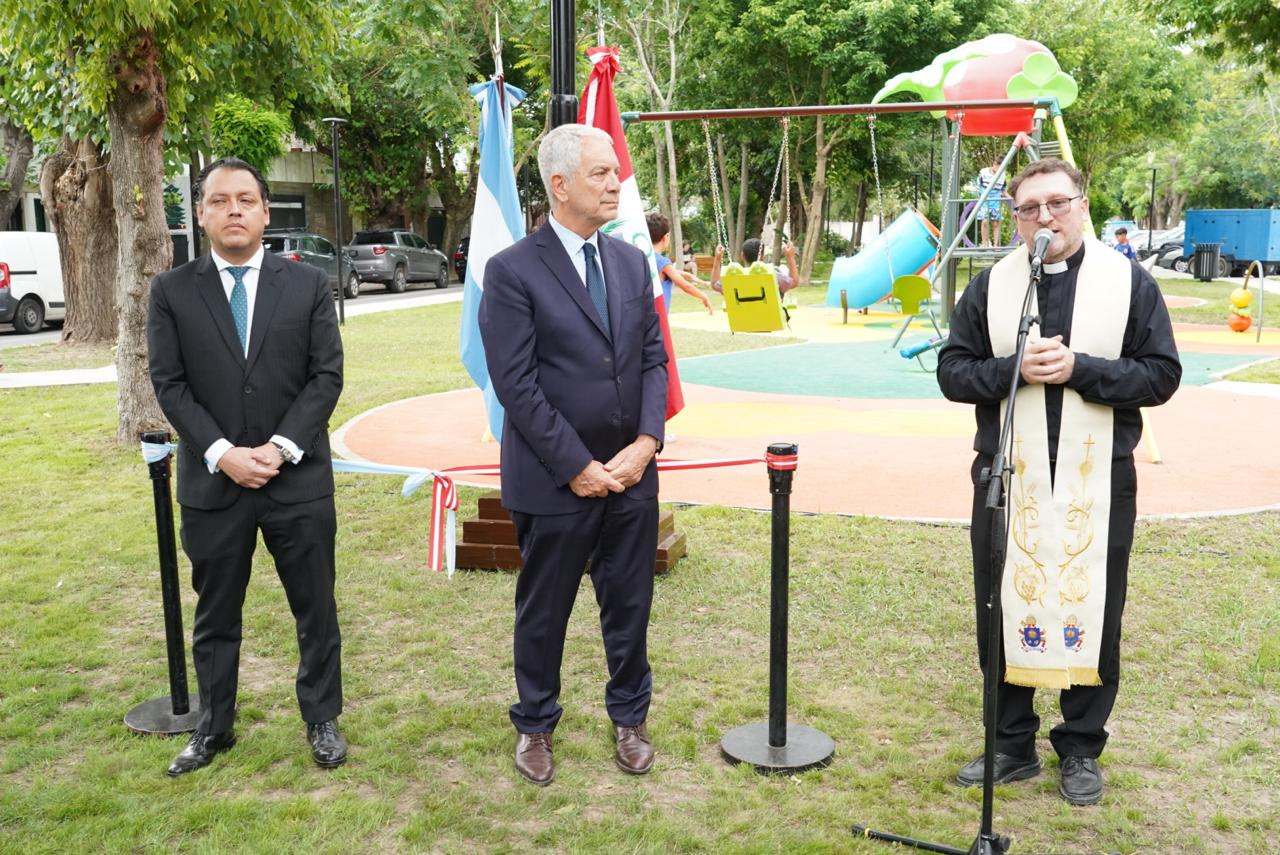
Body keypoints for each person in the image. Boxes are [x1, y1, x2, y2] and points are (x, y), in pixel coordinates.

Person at [937, 158, 1181, 806]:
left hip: (1099, 476)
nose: (1044, 218)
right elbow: (953, 372)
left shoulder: (1128, 282)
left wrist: (1078, 368)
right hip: (1004, 475)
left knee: (1096, 604)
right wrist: (1014, 369)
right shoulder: (992, 287)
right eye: (1029, 208)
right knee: (999, 604)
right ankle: (1011, 742)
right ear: (1014, 217)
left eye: (1056, 203)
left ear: (1082, 203)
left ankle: (1079, 745)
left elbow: (1160, 375)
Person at [478, 124, 668, 787]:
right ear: (559, 185)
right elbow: (517, 385)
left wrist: (646, 443)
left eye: (615, 172)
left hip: (631, 476)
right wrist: (576, 466)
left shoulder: (629, 261)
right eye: (601, 174)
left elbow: (652, 358)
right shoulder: (510, 272)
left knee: (630, 604)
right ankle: (535, 723)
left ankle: (630, 717)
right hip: (555, 482)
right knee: (544, 609)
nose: (616, 183)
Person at [147, 157, 347, 777]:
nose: (233, 210)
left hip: (298, 482)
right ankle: (213, 729)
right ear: (200, 213)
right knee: (215, 614)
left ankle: (322, 720)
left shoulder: (309, 284)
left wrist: (282, 447)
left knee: (315, 607)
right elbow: (170, 384)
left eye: (245, 200)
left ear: (265, 211)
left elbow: (326, 376)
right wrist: (222, 454)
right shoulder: (172, 292)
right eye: (219, 200)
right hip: (214, 484)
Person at [646, 212, 713, 315]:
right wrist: (703, 296)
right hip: (659, 319)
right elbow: (686, 286)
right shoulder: (663, 262)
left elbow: (671, 273)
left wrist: (689, 275)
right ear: (666, 237)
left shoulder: (643, 258)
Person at [708, 237, 799, 296]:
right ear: (763, 256)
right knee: (782, 269)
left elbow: (714, 284)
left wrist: (717, 259)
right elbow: (794, 282)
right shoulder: (772, 276)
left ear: (742, 256)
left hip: (743, 323)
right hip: (770, 321)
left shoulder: (733, 279)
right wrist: (790, 258)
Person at [975, 160, 1008, 247]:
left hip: (996, 199)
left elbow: (1003, 190)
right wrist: (978, 196)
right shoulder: (983, 172)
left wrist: (1010, 198)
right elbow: (978, 185)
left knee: (996, 223)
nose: (1000, 170)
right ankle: (984, 243)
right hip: (985, 198)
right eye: (999, 167)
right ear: (994, 164)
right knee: (985, 221)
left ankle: (996, 244)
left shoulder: (1002, 175)